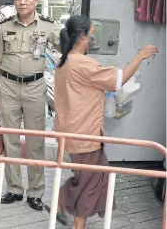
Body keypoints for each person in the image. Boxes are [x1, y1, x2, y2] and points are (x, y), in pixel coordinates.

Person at [46, 15, 158, 228]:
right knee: (90, 180)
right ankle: (73, 217)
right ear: (81, 36)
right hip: (84, 134)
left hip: (72, 131)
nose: (93, 39)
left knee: (94, 176)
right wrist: (139, 57)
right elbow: (117, 80)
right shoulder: (83, 64)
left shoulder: (65, 62)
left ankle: (65, 208)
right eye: (91, 35)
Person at [0, 0, 61, 211]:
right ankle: (14, 189)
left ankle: (35, 192)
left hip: (34, 87)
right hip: (8, 86)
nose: (22, 2)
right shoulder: (3, 27)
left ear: (35, 1)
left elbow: (68, 46)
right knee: (10, 140)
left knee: (35, 142)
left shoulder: (48, 26)